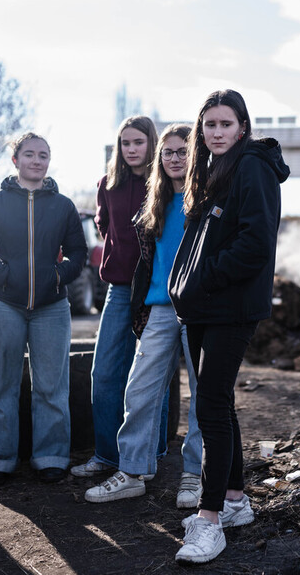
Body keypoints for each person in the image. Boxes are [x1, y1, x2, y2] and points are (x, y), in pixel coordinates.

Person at [169, 90, 289, 563]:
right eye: (210, 125)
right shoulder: (212, 170)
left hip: (231, 306)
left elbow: (256, 243)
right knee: (217, 403)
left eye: (226, 124)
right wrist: (193, 286)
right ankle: (235, 500)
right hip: (204, 306)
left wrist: (205, 278)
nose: (216, 132)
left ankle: (210, 519)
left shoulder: (253, 167)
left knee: (211, 410)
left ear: (243, 127)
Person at [84, 124, 202, 508]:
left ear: (196, 154)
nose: (174, 158)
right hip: (159, 306)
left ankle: (194, 476)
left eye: (182, 151)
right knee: (139, 389)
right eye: (168, 152)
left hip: (200, 306)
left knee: (203, 395)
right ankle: (133, 471)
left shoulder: (207, 197)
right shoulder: (156, 199)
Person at [0, 132, 87, 488]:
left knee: (51, 386)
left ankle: (51, 457)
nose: (37, 160)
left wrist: (57, 275)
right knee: (1, 385)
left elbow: (78, 253)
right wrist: (1, 274)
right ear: (15, 159)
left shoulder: (63, 205)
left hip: (52, 307)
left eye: (44, 155)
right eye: (30, 154)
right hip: (4, 304)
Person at [71, 116, 170, 478]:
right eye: (125, 143)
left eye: (138, 143)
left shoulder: (166, 183)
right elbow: (103, 225)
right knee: (105, 373)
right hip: (118, 289)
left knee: (151, 374)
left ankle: (152, 454)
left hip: (157, 291)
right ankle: (107, 456)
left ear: (151, 144)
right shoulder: (107, 185)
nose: (131, 149)